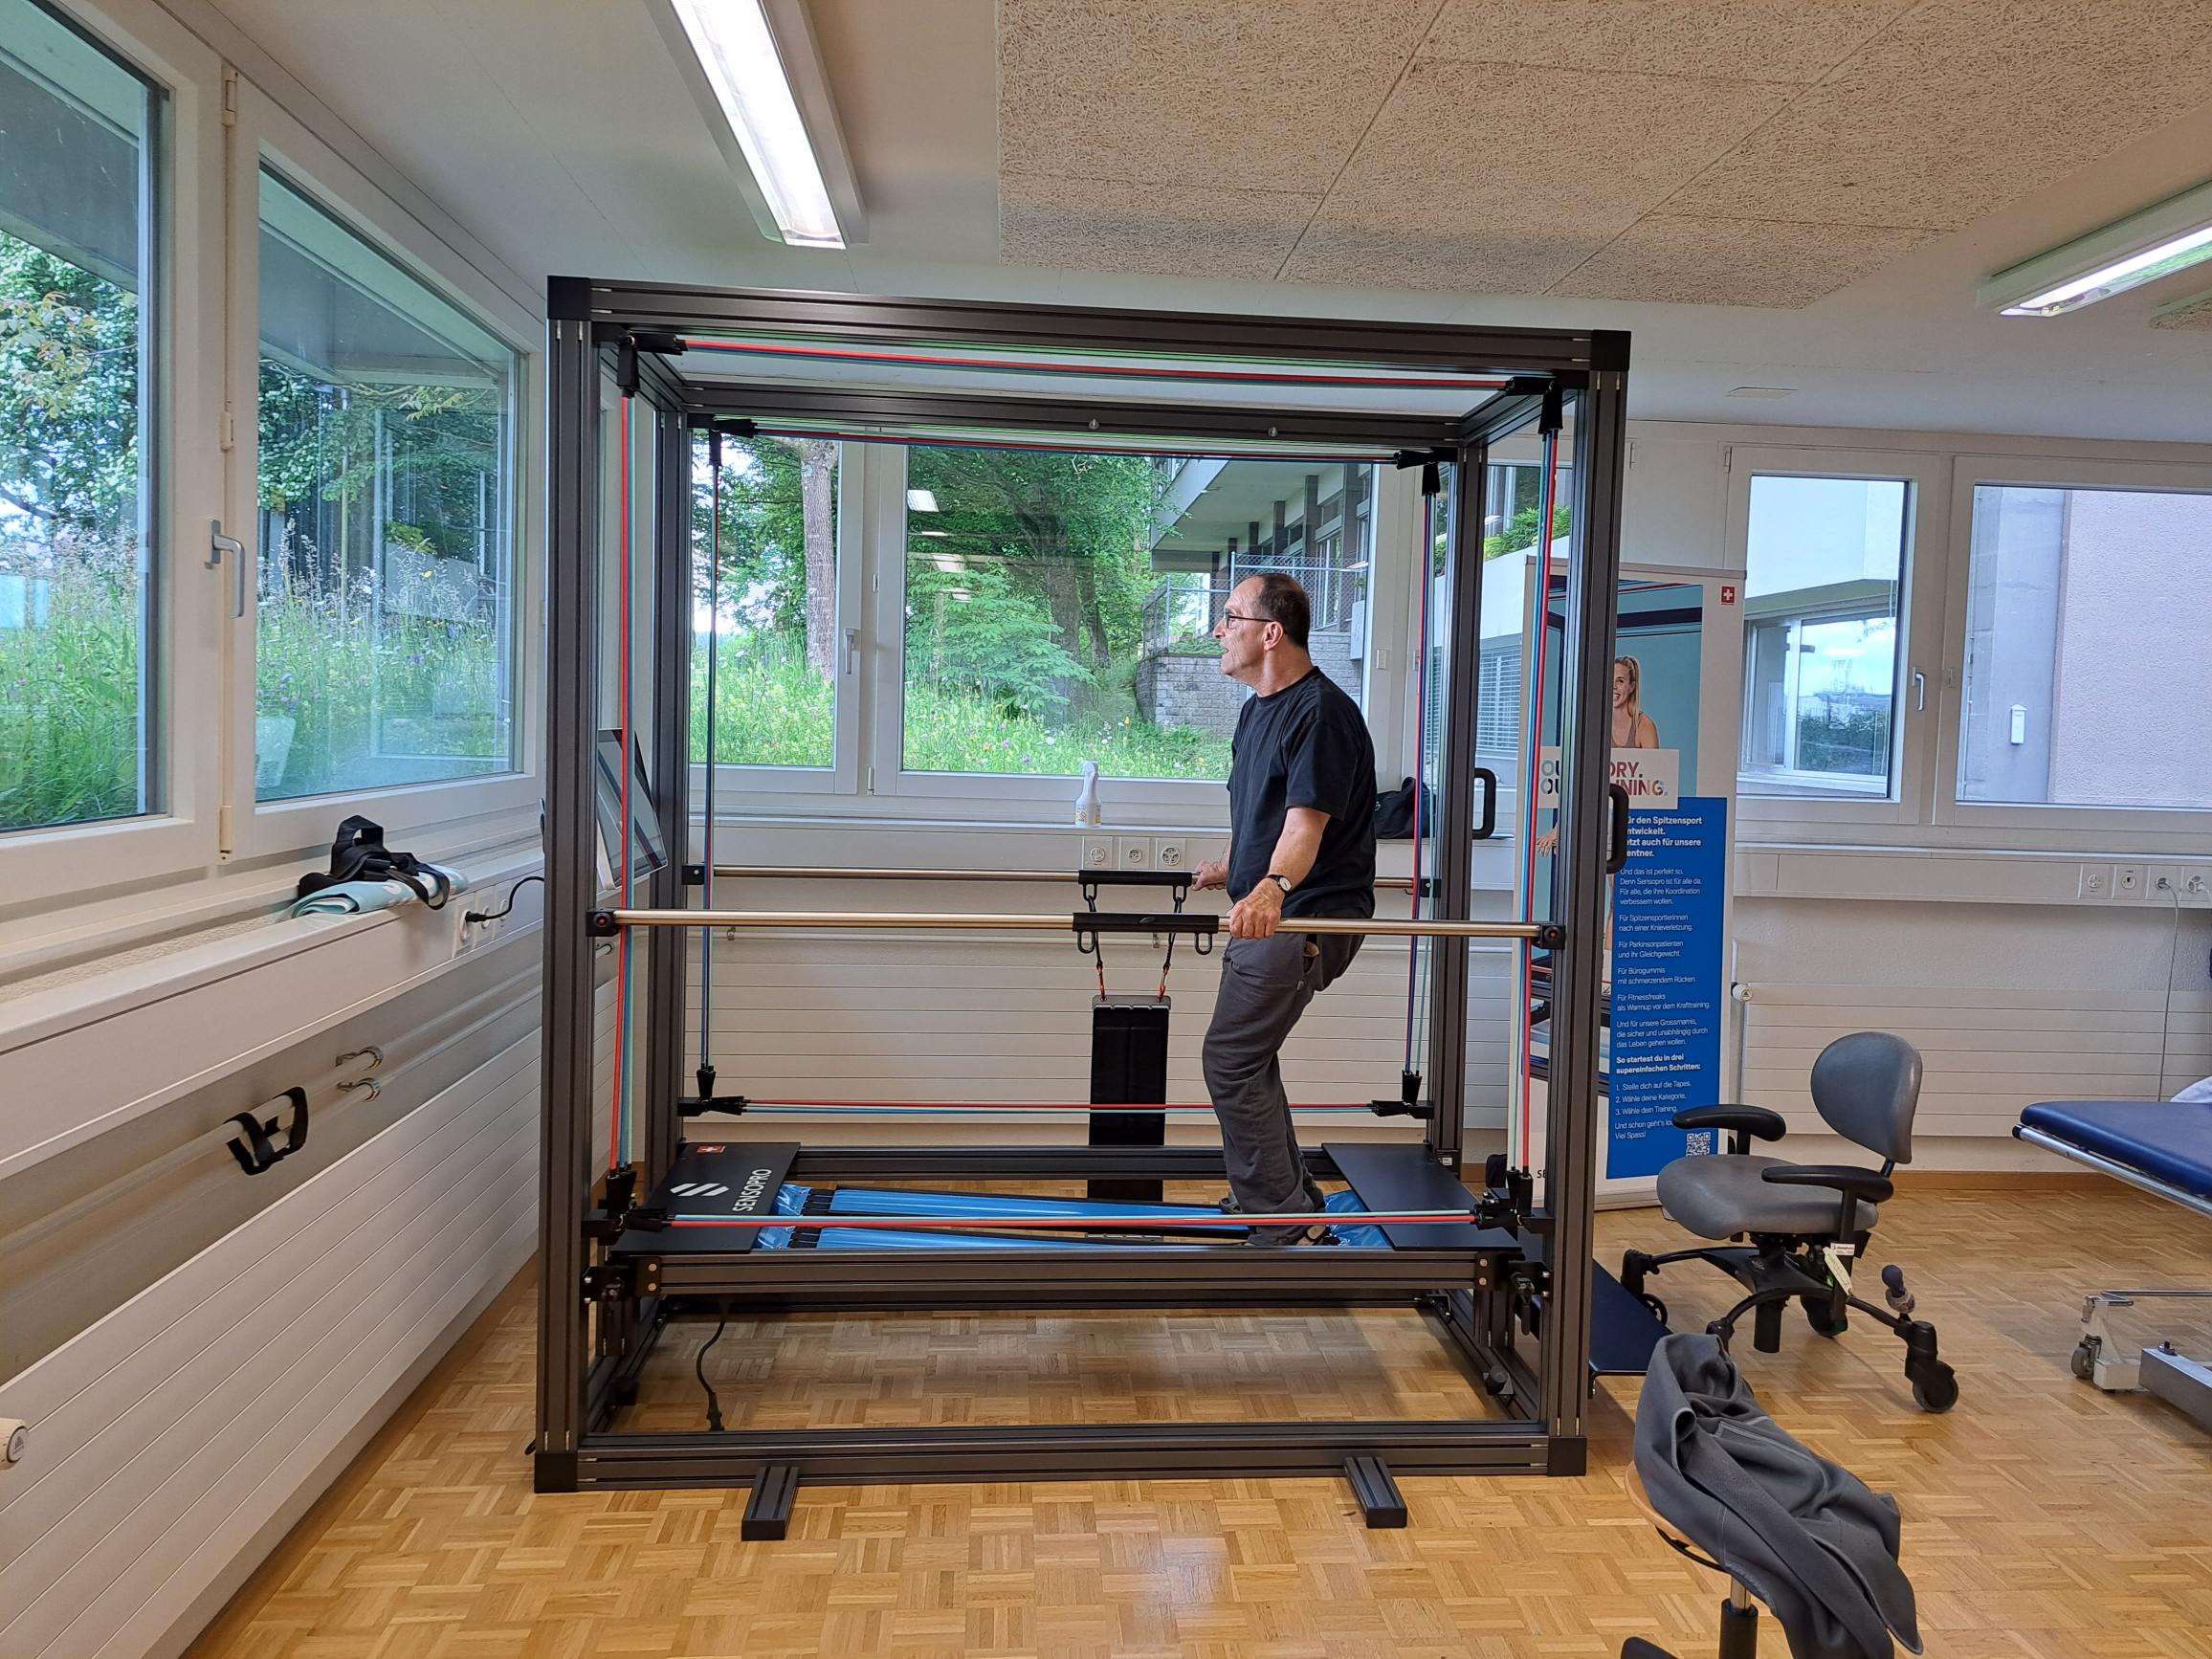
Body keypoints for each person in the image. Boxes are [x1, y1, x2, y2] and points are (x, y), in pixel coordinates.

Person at [1190, 572, 1377, 1245]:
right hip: (1273, 906)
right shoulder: (1257, 711)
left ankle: (1284, 1220)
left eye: (1230, 617)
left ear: (1270, 633)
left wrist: (1270, 887)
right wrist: (1234, 867)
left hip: (1305, 915)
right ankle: (1288, 1200)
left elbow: (1305, 826)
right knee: (1248, 1059)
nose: (1219, 630)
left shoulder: (1321, 713)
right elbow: (1259, 810)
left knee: (1231, 1061)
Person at [1536, 654, 1658, 854]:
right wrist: (1560, 829)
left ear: (1632, 687)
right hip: (1600, 815)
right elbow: (1582, 782)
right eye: (1610, 680)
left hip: (1634, 820)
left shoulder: (1644, 726)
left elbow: (1653, 787)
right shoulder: (1595, 724)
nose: (1614, 687)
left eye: (1620, 681)